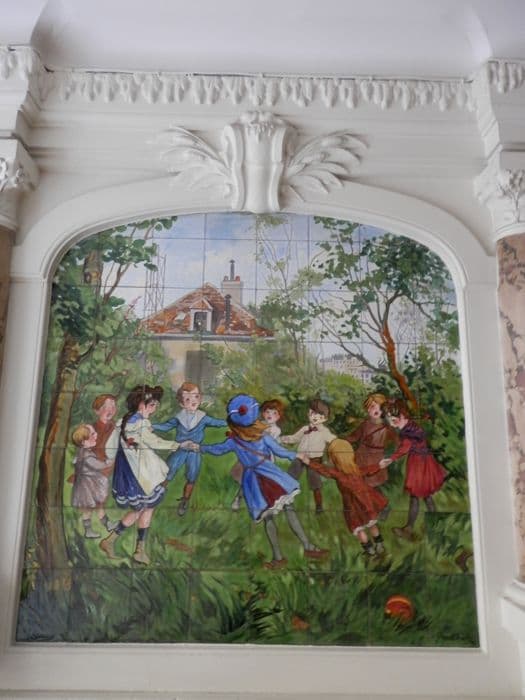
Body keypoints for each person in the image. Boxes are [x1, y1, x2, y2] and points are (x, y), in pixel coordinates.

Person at [200, 393, 328, 569]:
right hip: (271, 474)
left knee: (270, 517)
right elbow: (280, 451)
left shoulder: (234, 440)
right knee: (287, 509)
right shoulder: (262, 435)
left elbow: (217, 449)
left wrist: (199, 447)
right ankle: (307, 547)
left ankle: (279, 557)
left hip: (253, 480)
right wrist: (297, 455)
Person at [100, 385, 193, 564]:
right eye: (152, 405)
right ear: (141, 405)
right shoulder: (140, 424)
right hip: (142, 476)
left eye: (156, 405)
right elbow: (155, 442)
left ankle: (137, 549)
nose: (154, 409)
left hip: (129, 475)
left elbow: (109, 450)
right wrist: (179, 445)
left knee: (146, 508)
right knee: (141, 509)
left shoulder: (122, 422)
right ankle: (112, 541)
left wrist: (123, 456)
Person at [304, 439, 389, 558]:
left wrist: (308, 462)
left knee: (359, 529)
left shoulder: (338, 473)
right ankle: (379, 545)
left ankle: (370, 550)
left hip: (351, 505)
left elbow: (324, 470)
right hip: (365, 501)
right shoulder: (354, 469)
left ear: (334, 457)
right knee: (371, 524)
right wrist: (379, 465)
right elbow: (366, 470)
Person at [152, 381, 227, 516]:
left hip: (194, 451)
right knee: (169, 470)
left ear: (200, 398)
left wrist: (233, 422)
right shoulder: (179, 418)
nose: (193, 401)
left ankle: (185, 500)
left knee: (192, 476)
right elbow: (165, 426)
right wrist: (152, 426)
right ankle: (158, 493)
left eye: (196, 397)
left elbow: (218, 423)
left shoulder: (203, 417)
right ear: (181, 404)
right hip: (180, 449)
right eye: (187, 399)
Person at [380, 399, 447, 542]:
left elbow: (404, 447)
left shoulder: (409, 432)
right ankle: (436, 524)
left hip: (419, 465)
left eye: (393, 419)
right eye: (389, 419)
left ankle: (409, 528)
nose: (391, 423)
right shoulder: (410, 426)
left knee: (416, 496)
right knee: (426, 495)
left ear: (402, 415)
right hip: (423, 461)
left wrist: (390, 459)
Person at [345, 392, 398, 519]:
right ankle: (367, 510)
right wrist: (341, 442)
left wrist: (393, 456)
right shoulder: (365, 424)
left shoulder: (388, 427)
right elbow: (354, 437)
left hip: (376, 458)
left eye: (378, 406)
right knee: (360, 484)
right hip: (362, 456)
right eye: (371, 407)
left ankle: (383, 507)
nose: (375, 410)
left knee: (373, 484)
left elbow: (397, 442)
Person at [280, 399, 337, 514]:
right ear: (308, 414)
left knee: (315, 483)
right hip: (300, 457)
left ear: (325, 418)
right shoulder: (305, 429)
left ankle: (319, 506)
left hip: (314, 460)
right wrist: (282, 439)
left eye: (320, 415)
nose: (315, 417)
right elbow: (294, 438)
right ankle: (283, 501)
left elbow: (333, 441)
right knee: (289, 477)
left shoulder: (324, 431)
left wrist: (334, 455)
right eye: (313, 413)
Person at [230, 398, 285, 511]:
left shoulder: (276, 430)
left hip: (265, 459)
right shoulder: (257, 424)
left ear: (279, 416)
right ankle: (238, 498)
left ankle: (263, 504)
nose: (270, 415)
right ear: (263, 413)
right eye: (267, 412)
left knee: (263, 483)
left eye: (274, 413)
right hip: (252, 457)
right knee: (247, 480)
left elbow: (270, 443)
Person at [70, 423, 117, 538]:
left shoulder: (83, 452)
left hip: (89, 484)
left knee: (98, 506)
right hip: (88, 487)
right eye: (92, 434)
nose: (96, 435)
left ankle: (107, 524)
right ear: (83, 442)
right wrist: (109, 462)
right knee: (88, 509)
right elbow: (98, 465)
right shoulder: (86, 455)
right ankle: (89, 530)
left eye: (95, 432)